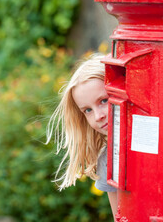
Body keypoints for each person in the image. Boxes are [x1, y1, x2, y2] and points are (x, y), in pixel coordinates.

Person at [46, 54, 118, 220]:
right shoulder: (107, 158)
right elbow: (120, 217)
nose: (98, 116)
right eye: (88, 110)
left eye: (104, 100)